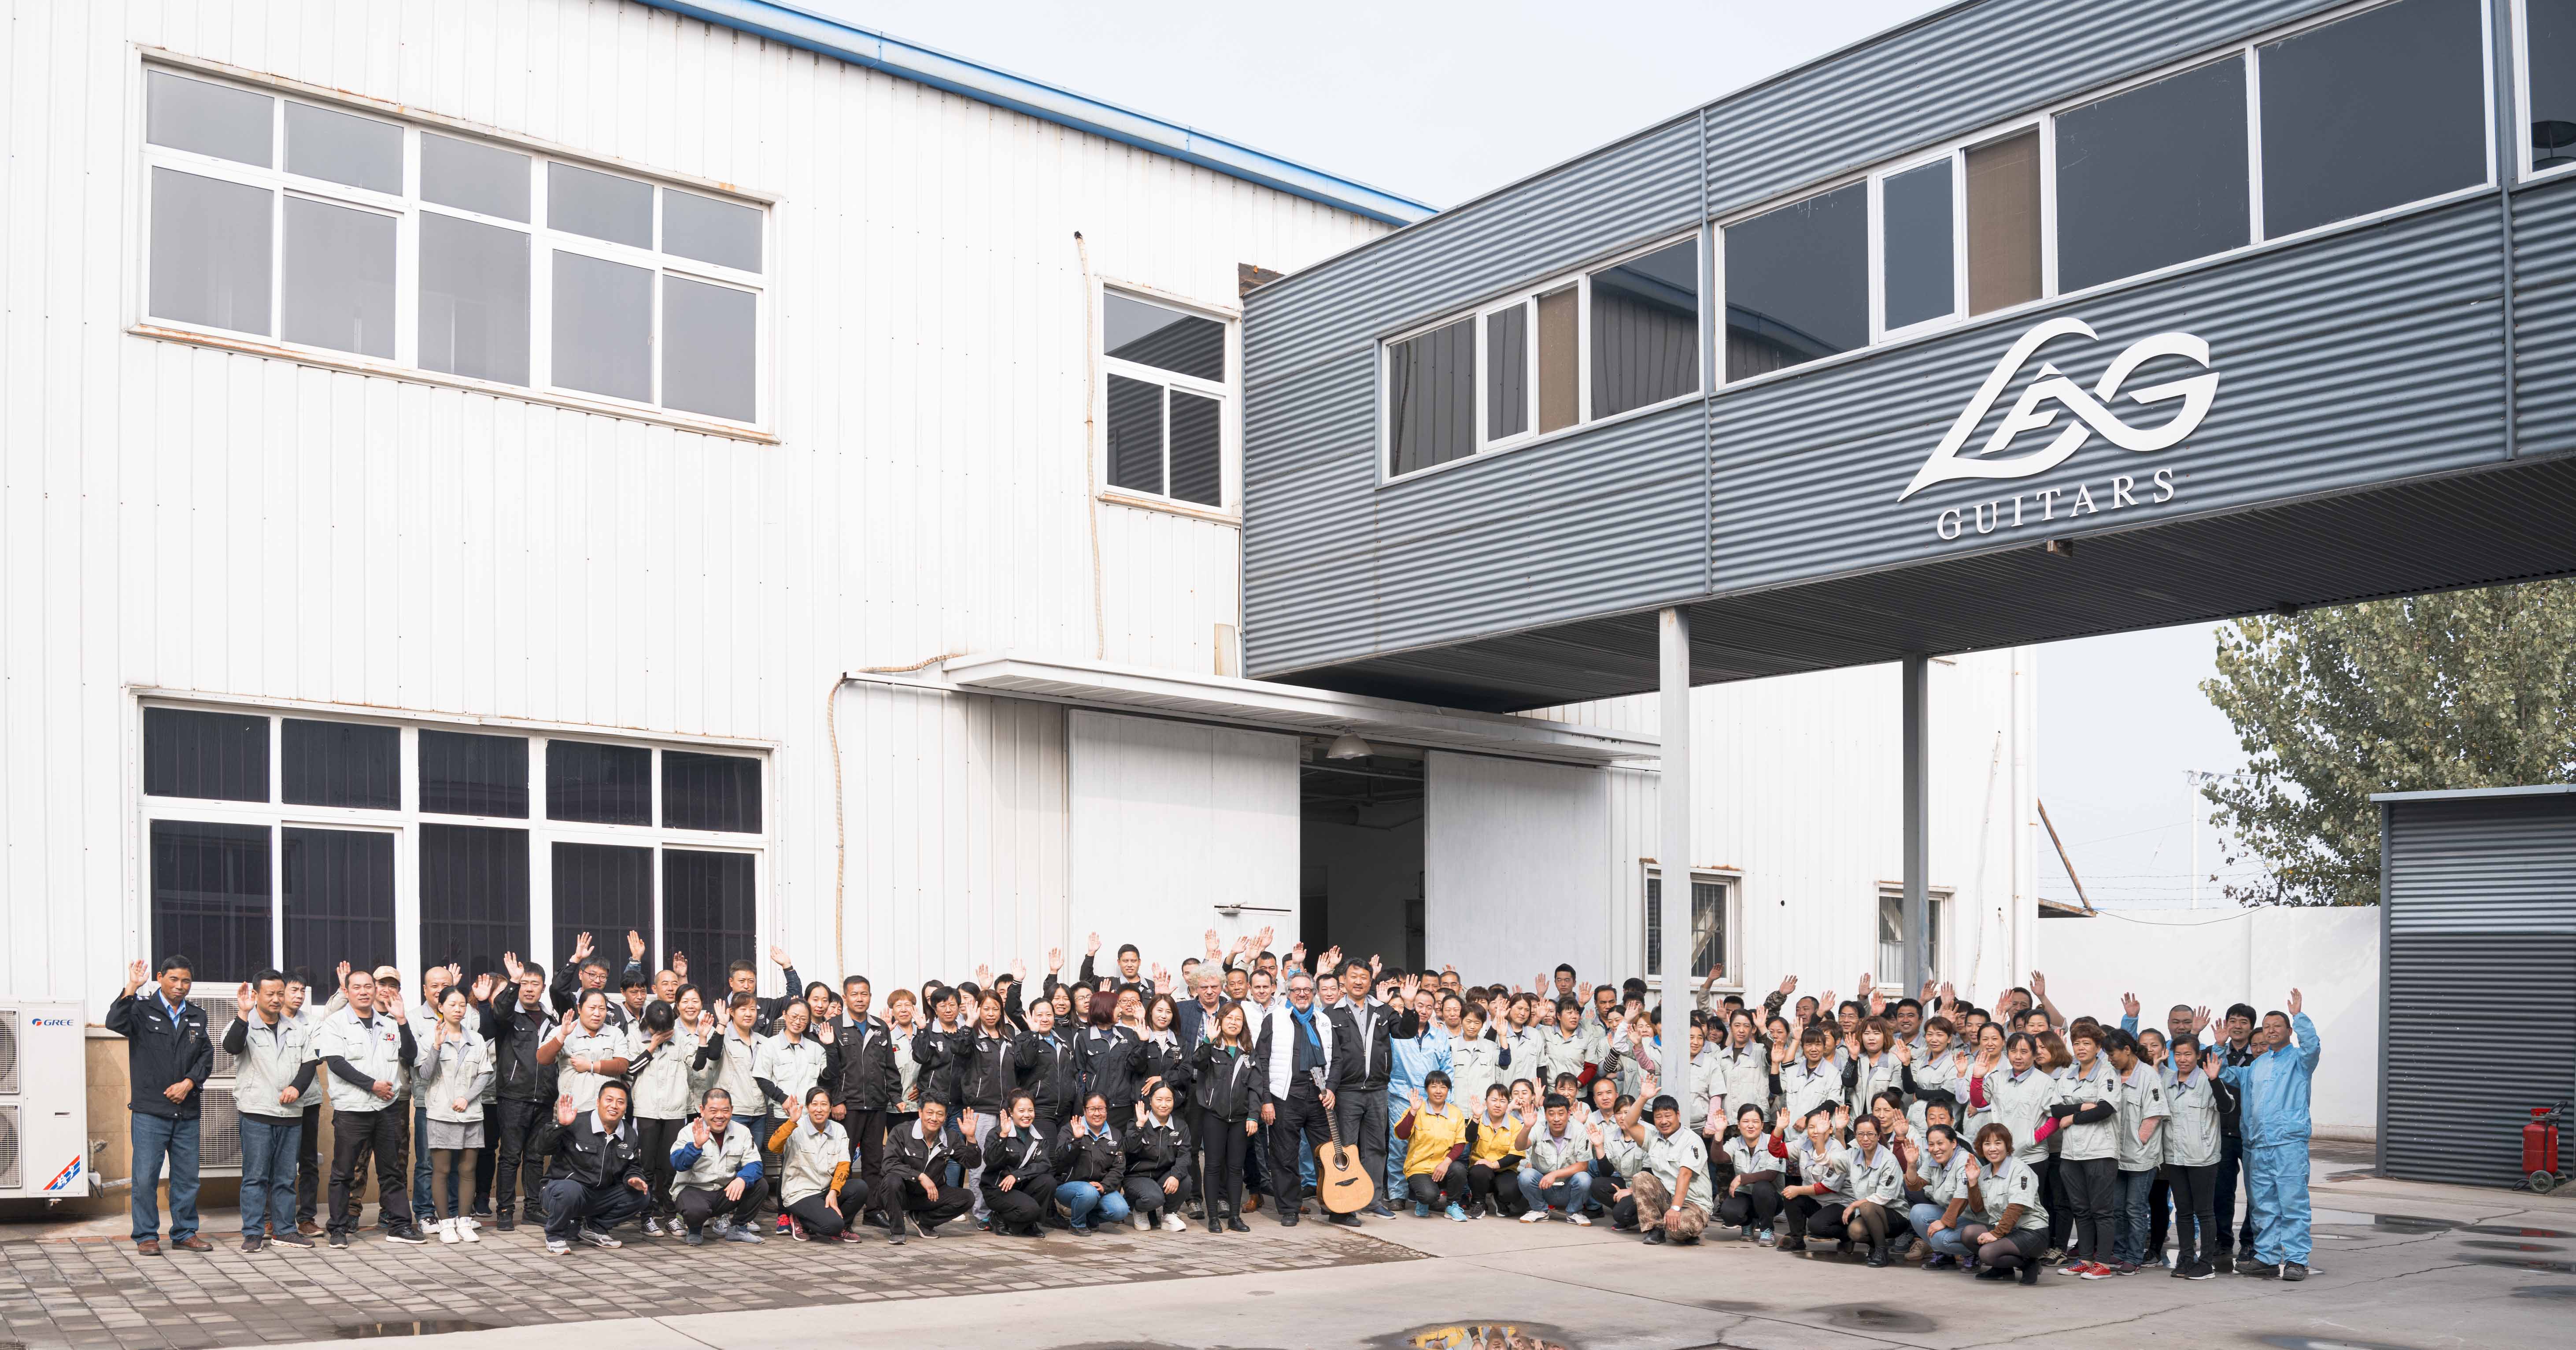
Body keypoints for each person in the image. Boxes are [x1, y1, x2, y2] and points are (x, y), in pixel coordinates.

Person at [107, 956, 214, 1256]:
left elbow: (206, 1055)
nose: (180, 987)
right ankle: (146, 1235)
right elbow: (114, 1022)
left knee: (187, 1178)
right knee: (145, 1177)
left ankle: (184, 1233)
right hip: (150, 1111)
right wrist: (131, 986)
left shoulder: (197, 1015)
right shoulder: (141, 1009)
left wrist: (189, 1083)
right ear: (160, 977)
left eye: (186, 981)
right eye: (174, 980)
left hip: (187, 1111)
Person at [316, 967, 423, 1247]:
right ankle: (338, 1228)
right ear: (348, 992)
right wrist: (372, 1084)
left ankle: (399, 1226)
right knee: (343, 1172)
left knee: (392, 1171)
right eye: (358, 988)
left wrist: (402, 1021)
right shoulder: (335, 1023)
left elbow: (410, 1055)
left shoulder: (390, 1024)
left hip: (386, 1110)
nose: (364, 992)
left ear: (375, 991)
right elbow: (336, 1064)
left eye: (368, 987)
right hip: (353, 1110)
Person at [2223, 990, 2321, 1282]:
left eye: (2277, 1026)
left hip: (2287, 1141)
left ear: (2288, 1031)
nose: (2271, 1030)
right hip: (2257, 1144)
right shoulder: (2258, 1064)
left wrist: (2298, 1016)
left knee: (2292, 1202)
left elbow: (2313, 1046)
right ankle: (2265, 1256)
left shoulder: (2300, 1060)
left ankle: (2295, 1259)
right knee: (2263, 1204)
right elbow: (2229, 1076)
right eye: (2266, 1026)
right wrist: (2217, 1047)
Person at [221, 970, 315, 1251]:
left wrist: (297, 1089)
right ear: (257, 994)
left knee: (286, 1178)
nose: (276, 999)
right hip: (257, 1112)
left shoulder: (297, 1028)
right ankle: (253, 1232)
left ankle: (285, 1230)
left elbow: (309, 1064)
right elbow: (231, 1047)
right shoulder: (244, 1024)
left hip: (291, 1113)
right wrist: (242, 1014)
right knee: (256, 1177)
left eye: (280, 993)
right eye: (270, 994)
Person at [1253, 972, 1344, 1228]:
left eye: (1307, 990)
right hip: (1285, 1097)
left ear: (1313, 993)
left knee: (1328, 1155)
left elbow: (1336, 1059)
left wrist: (1332, 1089)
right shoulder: (1275, 1019)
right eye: (1296, 990)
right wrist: (1266, 1099)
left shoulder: (1323, 1021)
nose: (1302, 994)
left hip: (1319, 1098)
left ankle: (1337, 1206)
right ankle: (1289, 1208)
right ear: (1288, 994)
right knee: (1285, 1156)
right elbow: (1262, 1060)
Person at [628, 993, 717, 1237]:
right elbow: (630, 1068)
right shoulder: (635, 1035)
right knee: (646, 1165)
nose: (666, 1033)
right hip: (646, 1108)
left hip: (676, 1109)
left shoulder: (679, 1036)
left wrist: (701, 1039)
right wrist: (653, 1044)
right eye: (659, 1030)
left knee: (671, 1166)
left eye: (667, 1030)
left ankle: (670, 1215)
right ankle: (646, 1216)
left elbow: (697, 1065)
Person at [414, 985, 494, 1243]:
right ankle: (446, 1223)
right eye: (452, 1005)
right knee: (442, 1170)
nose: (458, 1010)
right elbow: (425, 1075)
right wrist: (436, 1047)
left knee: (468, 1170)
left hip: (471, 1114)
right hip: (441, 1113)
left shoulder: (477, 1039)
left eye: (462, 1005)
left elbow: (485, 1074)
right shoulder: (429, 1038)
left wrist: (467, 1098)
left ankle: (464, 1221)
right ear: (441, 1007)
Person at [533, 1080, 649, 1255]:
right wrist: (560, 1126)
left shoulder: (629, 1134)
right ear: (598, 1102)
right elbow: (541, 1148)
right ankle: (555, 1235)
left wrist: (634, 1178)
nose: (614, 1106)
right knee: (570, 1190)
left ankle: (595, 1228)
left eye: (621, 1102)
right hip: (562, 1191)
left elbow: (633, 1166)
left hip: (599, 1196)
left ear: (626, 1108)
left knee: (642, 1194)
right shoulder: (576, 1122)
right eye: (609, 1100)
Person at [484, 958, 556, 1233]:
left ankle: (533, 1208)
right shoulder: (510, 1017)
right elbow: (499, 1012)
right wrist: (512, 983)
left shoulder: (552, 1019)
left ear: (543, 987)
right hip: (514, 1096)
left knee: (536, 1157)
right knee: (511, 1156)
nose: (529, 989)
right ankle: (504, 1210)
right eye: (524, 983)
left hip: (545, 1097)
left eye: (534, 984)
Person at [2045, 1023, 2121, 1279]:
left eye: (2087, 1043)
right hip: (2071, 1153)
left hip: (2100, 1151)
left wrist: (2073, 1117)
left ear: (2098, 1047)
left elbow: (2105, 1109)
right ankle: (2086, 1259)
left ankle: (2104, 1264)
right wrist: (2085, 1106)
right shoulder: (2067, 1074)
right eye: (2077, 1043)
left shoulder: (2108, 1073)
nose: (2081, 1048)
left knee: (2101, 1210)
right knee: (2081, 1209)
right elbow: (2054, 1110)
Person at [1327, 960, 1397, 1219]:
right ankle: (1347, 1201)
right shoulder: (1330, 1013)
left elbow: (1406, 1032)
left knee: (1376, 1147)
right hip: (1347, 1091)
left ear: (1371, 982)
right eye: (1353, 977)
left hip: (1378, 1090)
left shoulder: (1383, 1011)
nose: (1359, 982)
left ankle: (1374, 1199)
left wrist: (1409, 1005)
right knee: (1346, 1148)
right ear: (1343, 980)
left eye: (1364, 977)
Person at [2164, 1039, 2233, 1280]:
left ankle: (2206, 1263)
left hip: (2202, 1158)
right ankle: (2185, 1259)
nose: (2183, 1059)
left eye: (2188, 1054)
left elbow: (2226, 1107)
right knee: (2182, 1212)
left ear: (2197, 1056)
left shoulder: (2208, 1081)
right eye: (2179, 1054)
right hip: (2174, 1156)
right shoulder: (2167, 1081)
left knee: (2204, 1212)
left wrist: (2215, 1080)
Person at [1191, 1000, 1261, 1233]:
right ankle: (1213, 1218)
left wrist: (1253, 1116)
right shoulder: (1212, 1048)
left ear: (1244, 1025)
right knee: (1212, 1166)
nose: (1234, 1022)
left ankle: (1234, 1217)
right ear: (1220, 1021)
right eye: (1229, 1018)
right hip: (1214, 1117)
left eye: (1238, 1019)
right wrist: (1208, 1040)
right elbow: (1197, 1063)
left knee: (1235, 1169)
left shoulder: (1249, 1053)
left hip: (1241, 1120)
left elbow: (1256, 1087)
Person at [2104, 1029, 2169, 1273]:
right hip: (2116, 1153)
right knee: (2118, 1207)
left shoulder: (2148, 1076)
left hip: (2141, 1156)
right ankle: (2119, 1252)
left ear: (2127, 1051)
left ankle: (2134, 1256)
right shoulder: (2112, 1075)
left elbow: (2154, 1115)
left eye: (2112, 1054)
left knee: (2135, 1208)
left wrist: (2139, 1143)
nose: (2110, 1059)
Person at [668, 1087, 765, 1244]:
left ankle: (738, 1229)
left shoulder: (743, 1132)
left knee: (760, 1185)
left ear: (732, 1111)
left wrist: (742, 1179)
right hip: (694, 1191)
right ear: (702, 1110)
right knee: (695, 1209)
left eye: (725, 1111)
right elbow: (678, 1164)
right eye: (713, 1111)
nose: (720, 1116)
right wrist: (696, 1146)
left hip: (724, 1192)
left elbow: (755, 1164)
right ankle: (694, 1227)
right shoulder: (688, 1132)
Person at [769, 1085, 863, 1241]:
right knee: (831, 1226)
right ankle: (799, 1219)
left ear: (831, 1107)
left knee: (860, 1188)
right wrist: (791, 1122)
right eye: (814, 1104)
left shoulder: (839, 1130)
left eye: (824, 1104)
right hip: (800, 1193)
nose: (819, 1109)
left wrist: (834, 1191)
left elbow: (844, 1165)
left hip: (825, 1190)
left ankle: (842, 1228)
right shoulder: (795, 1127)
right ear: (807, 1107)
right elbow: (774, 1147)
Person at [1960, 1123, 2050, 1285]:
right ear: (1981, 1148)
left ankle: (2029, 1264)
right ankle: (2003, 1270)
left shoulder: (2020, 1169)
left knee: (1987, 1253)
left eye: (1998, 1143)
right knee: (1968, 1234)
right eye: (1987, 1144)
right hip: (2007, 1231)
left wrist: (1995, 1234)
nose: (1992, 1148)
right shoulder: (1985, 1172)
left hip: (2031, 1232)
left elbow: (2017, 1207)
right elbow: (1978, 1209)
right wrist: (1972, 1183)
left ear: (2007, 1146)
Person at [884, 1097, 981, 1242]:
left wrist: (971, 1138)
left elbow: (972, 1163)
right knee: (892, 1180)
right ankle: (897, 1231)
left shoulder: (951, 1137)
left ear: (946, 1117)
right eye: (930, 1113)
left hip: (930, 1195)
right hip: (901, 1193)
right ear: (920, 1113)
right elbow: (889, 1164)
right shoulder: (902, 1132)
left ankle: (922, 1221)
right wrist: (920, 1176)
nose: (934, 1119)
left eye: (940, 1114)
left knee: (967, 1198)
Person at [1395, 1071, 1473, 1221]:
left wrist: (1446, 1163)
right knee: (1429, 1196)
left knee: (1459, 1169)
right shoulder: (1417, 1110)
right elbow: (1402, 1134)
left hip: (1443, 1167)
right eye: (1434, 1086)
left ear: (1448, 1091)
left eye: (1443, 1087)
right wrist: (1412, 1112)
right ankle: (1423, 1200)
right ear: (1427, 1089)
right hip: (1419, 1168)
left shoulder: (1456, 1113)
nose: (1439, 1091)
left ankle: (1452, 1206)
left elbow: (1460, 1143)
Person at [1053, 1093, 1130, 1234]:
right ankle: (1077, 1224)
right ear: (1084, 1110)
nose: (1097, 1114)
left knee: (1121, 1211)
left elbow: (1118, 1168)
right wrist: (1076, 1140)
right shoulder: (1070, 1128)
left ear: (1107, 1110)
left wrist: (1104, 1187)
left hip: (1099, 1188)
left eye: (1101, 1109)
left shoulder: (1116, 1135)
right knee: (1088, 1192)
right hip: (1069, 1187)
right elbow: (1059, 1160)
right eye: (1092, 1109)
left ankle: (1090, 1218)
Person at [1124, 1082, 1196, 1232]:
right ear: (1150, 1101)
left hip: (1163, 1175)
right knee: (1154, 1198)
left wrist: (1175, 1176)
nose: (1164, 1104)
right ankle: (1139, 1210)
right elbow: (1129, 1149)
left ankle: (1169, 1214)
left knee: (1185, 1180)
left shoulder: (1180, 1126)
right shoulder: (1139, 1121)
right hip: (1138, 1177)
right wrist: (1140, 1127)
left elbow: (1185, 1156)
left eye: (1168, 1100)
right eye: (1159, 1100)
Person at [1518, 1092, 1596, 1224]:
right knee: (1526, 1175)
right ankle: (1540, 1210)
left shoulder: (1579, 1130)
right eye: (1552, 1114)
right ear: (1546, 1114)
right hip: (1544, 1186)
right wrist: (1527, 1128)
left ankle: (1574, 1212)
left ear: (1569, 1113)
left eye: (1561, 1114)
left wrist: (1554, 1175)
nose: (1557, 1119)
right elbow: (1520, 1146)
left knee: (1584, 1179)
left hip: (1569, 1187)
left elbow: (1583, 1166)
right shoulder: (1539, 1126)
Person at [1909, 1123, 1974, 1270]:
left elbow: (1963, 1196)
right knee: (1917, 1212)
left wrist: (1943, 1222)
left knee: (1941, 1239)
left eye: (1940, 1143)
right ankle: (1945, 1256)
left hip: (1973, 1218)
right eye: (1931, 1145)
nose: (1935, 1149)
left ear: (1953, 1143)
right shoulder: (1934, 1160)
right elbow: (1915, 1186)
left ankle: (1972, 1253)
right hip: (1955, 1215)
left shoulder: (1964, 1159)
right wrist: (1912, 1164)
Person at [1715, 1103, 1781, 1243]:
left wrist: (1742, 1178)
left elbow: (1771, 1174)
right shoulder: (1735, 1143)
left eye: (1756, 1122)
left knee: (1762, 1187)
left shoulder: (1773, 1142)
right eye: (1745, 1122)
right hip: (1744, 1195)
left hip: (1770, 1198)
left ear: (1762, 1125)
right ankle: (1748, 1224)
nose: (1751, 1126)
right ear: (1738, 1125)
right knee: (1728, 1213)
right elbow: (1719, 1158)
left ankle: (1767, 1229)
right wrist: (1719, 1132)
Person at [1464, 1083, 1529, 1219]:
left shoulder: (1515, 1124)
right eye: (1494, 1100)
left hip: (1505, 1169)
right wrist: (1476, 1117)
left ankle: (1500, 1200)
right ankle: (1478, 1203)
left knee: (1511, 1191)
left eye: (1503, 1101)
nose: (1498, 1105)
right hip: (1480, 1169)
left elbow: (1516, 1155)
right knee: (1479, 1171)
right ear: (1486, 1101)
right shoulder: (1478, 1119)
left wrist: (1493, 1164)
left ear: (1508, 1104)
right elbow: (1470, 1138)